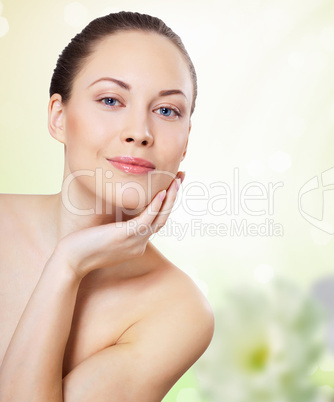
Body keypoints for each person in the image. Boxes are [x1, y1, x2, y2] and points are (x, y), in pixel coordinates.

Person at [0, 11, 214, 401]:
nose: (139, 132)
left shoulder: (179, 311)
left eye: (166, 110)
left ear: (185, 144)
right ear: (59, 118)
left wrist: (68, 263)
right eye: (111, 100)